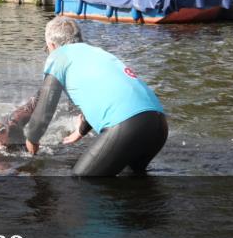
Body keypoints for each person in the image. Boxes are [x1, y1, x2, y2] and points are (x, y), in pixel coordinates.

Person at [22, 17, 168, 176]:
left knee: (82, 180)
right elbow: (107, 94)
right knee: (133, 181)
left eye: (47, 49)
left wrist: (32, 138)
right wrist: (81, 130)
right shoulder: (97, 53)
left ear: (51, 45)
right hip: (158, 123)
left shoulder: (58, 57)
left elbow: (46, 106)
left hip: (127, 126)